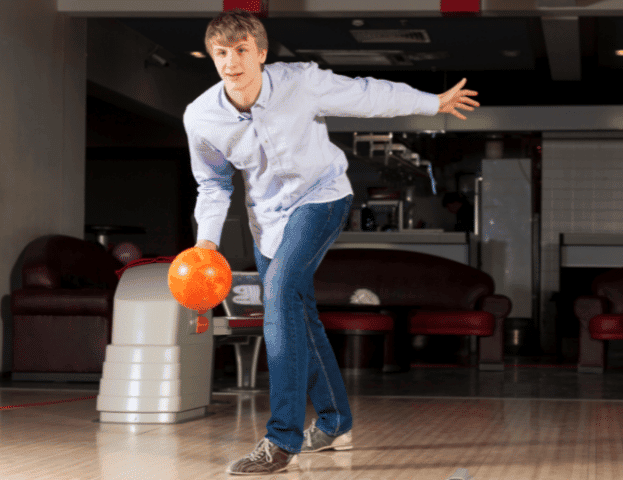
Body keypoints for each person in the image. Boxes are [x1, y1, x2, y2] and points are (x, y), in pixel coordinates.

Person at [183, 9, 479, 476]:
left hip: (321, 199)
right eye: (222, 53)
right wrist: (205, 244)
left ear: (260, 53)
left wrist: (433, 101)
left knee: (277, 293)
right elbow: (214, 185)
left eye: (241, 50)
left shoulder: (300, 82)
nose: (232, 62)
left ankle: (281, 440)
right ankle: (335, 421)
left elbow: (366, 94)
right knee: (299, 314)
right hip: (267, 222)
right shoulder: (201, 117)